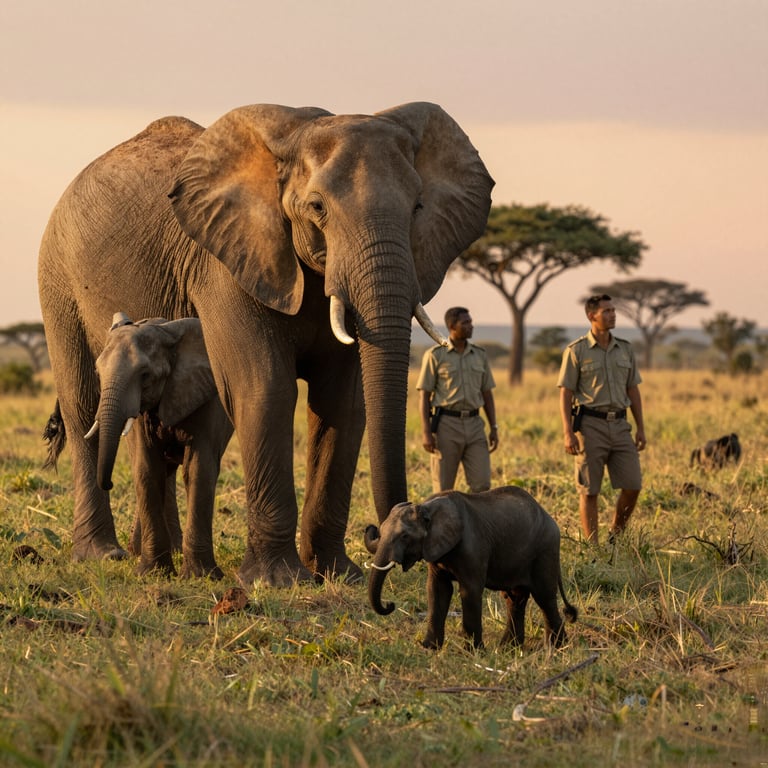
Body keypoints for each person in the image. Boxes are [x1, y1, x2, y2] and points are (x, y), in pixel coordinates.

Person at [557, 294, 647, 545]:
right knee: (589, 490)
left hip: (620, 424)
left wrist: (640, 428)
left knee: (633, 485)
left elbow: (633, 390)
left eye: (613, 310)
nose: (612, 314)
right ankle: (592, 547)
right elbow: (565, 392)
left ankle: (615, 537)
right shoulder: (576, 350)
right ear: (591, 316)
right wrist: (568, 432)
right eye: (606, 311)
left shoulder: (625, 349)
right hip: (589, 426)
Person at [417, 306, 498, 493]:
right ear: (452, 326)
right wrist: (426, 432)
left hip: (475, 424)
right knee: (443, 489)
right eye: (466, 323)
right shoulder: (435, 355)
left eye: (471, 322)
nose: (471, 326)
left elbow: (487, 394)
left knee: (482, 486)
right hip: (446, 425)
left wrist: (494, 427)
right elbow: (424, 396)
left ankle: (477, 522)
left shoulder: (479, 355)